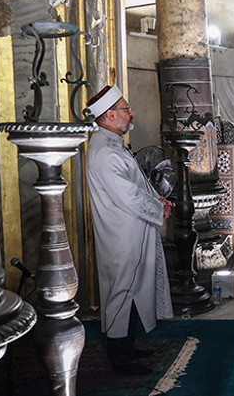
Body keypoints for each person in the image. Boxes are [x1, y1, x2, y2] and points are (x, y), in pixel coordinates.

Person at [85, 85, 173, 375]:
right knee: (122, 292)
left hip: (131, 230)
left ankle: (127, 347)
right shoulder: (104, 152)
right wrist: (158, 208)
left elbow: (137, 185)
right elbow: (129, 196)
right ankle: (119, 359)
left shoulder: (111, 144)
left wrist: (157, 199)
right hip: (122, 235)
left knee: (132, 289)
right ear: (110, 115)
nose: (131, 113)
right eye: (126, 109)